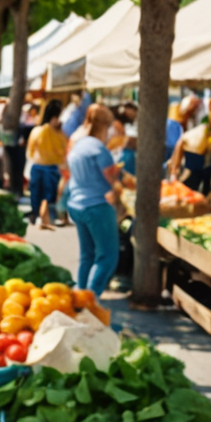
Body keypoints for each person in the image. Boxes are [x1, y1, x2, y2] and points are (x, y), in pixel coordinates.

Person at [62, 103, 122, 294]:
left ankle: (80, 297)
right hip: (96, 206)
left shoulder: (79, 146)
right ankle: (91, 299)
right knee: (108, 256)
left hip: (77, 204)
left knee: (87, 255)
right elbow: (111, 177)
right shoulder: (99, 149)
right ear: (105, 125)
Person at [26, 100, 68, 228]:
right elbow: (64, 151)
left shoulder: (37, 131)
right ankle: (47, 218)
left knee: (36, 194)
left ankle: (37, 215)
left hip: (38, 166)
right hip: (52, 168)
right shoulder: (58, 134)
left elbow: (30, 151)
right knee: (49, 195)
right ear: (55, 117)